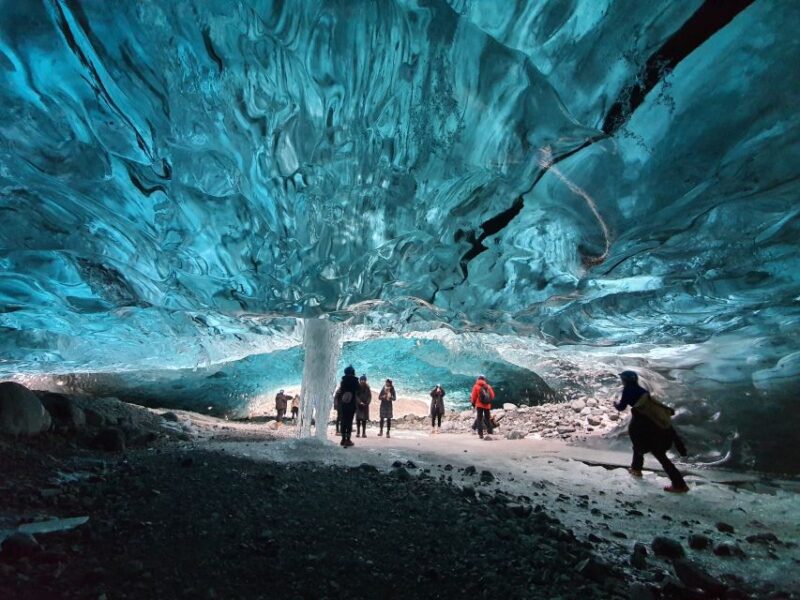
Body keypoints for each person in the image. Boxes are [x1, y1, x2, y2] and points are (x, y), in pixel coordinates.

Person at [614, 370, 689, 493]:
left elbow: (622, 407)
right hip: (655, 426)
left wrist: (615, 405)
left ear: (626, 380)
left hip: (646, 427)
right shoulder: (642, 391)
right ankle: (636, 469)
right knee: (641, 447)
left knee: (656, 453)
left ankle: (679, 484)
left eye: (622, 379)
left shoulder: (628, 391)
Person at [334, 366, 360, 447]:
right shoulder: (355, 381)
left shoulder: (343, 381)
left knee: (343, 421)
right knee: (349, 422)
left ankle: (342, 439)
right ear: (353, 372)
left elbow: (340, 392)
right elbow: (358, 390)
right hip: (351, 404)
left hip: (343, 404)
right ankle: (348, 440)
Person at [470, 375, 495, 439]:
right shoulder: (488, 386)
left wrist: (473, 403)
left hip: (479, 405)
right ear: (484, 379)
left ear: (478, 379)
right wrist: (489, 402)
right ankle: (490, 432)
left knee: (479, 419)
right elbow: (492, 396)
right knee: (487, 418)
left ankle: (480, 434)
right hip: (487, 406)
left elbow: (473, 396)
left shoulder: (476, 386)